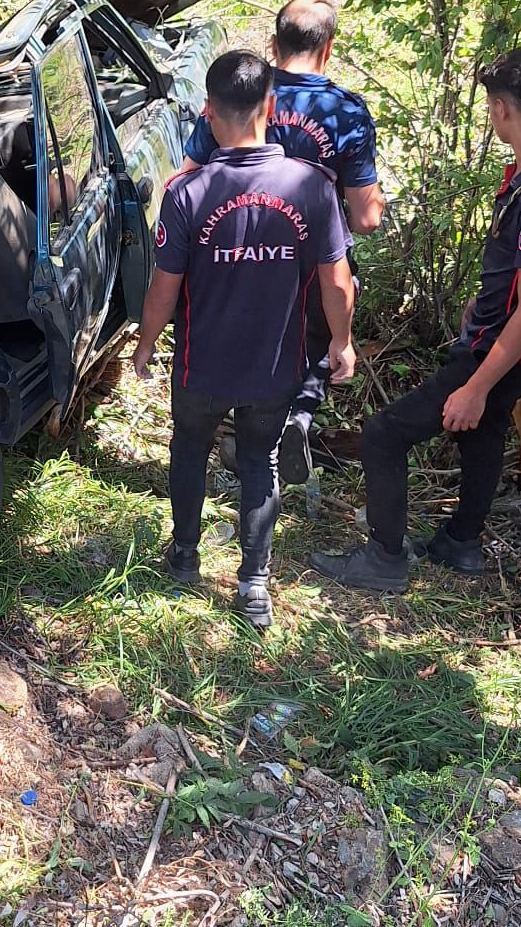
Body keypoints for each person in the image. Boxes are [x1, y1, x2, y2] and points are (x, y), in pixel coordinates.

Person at [310, 47, 521, 592]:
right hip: (507, 340)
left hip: (500, 352)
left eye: (490, 107)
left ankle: (384, 557)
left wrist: (478, 384)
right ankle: (461, 542)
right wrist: (482, 304)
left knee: (385, 435)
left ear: (503, 110)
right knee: (483, 433)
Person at [133, 49, 357, 628]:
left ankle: (184, 557)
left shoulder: (188, 194)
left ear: (208, 113)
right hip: (275, 365)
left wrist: (145, 343)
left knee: (190, 448)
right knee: (259, 460)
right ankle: (253, 586)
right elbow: (338, 281)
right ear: (271, 107)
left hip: (201, 363)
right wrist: (341, 342)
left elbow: (164, 286)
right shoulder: (311, 187)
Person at [177, 0, 385, 485]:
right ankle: (296, 419)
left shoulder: (240, 95)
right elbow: (367, 219)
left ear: (273, 43)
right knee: (316, 343)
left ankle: (238, 435)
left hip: (233, 256)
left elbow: (187, 176)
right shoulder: (347, 114)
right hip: (312, 261)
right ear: (329, 48)